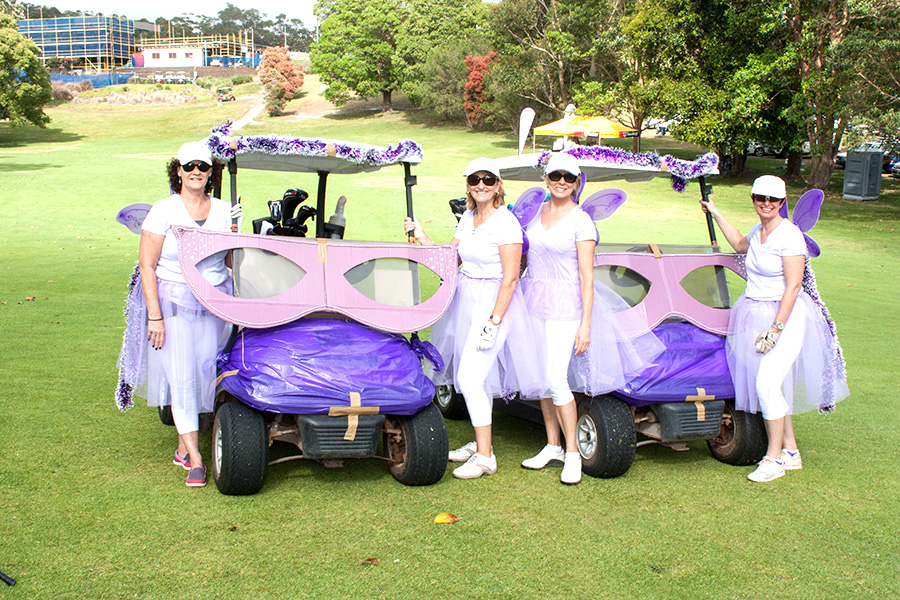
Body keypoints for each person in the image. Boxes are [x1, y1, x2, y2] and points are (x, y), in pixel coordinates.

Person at [518, 153, 665, 484]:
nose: (561, 182)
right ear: (546, 177)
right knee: (543, 378)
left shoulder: (581, 221)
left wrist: (585, 324)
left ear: (576, 182)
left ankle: (572, 453)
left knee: (557, 379)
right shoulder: (535, 213)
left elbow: (586, 276)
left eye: (569, 178)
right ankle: (552, 445)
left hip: (567, 305)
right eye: (556, 175)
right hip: (534, 301)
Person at [700, 175, 849, 482]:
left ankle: (773, 459)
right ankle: (791, 451)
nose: (766, 204)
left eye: (772, 200)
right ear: (754, 199)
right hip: (753, 312)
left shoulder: (789, 235)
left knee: (766, 384)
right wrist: (715, 213)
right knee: (770, 385)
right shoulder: (759, 231)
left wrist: (776, 328)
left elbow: (793, 286)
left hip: (785, 318)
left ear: (782, 203)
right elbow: (741, 244)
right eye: (760, 198)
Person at [404, 157, 543, 480]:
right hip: (466, 298)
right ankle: (481, 445)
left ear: (498, 186)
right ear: (467, 184)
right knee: (467, 377)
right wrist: (423, 237)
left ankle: (485, 457)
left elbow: (511, 278)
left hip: (494, 304)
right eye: (475, 179)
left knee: (470, 377)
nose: (481, 185)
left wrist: (493, 322)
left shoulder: (506, 223)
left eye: (488, 179)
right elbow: (451, 259)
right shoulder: (469, 217)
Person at [117, 141, 242, 487]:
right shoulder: (164, 210)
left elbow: (231, 262)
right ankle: (197, 461)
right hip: (173, 301)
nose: (196, 172)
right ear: (178, 171)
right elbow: (147, 264)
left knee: (205, 373)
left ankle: (182, 446)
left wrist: (238, 236)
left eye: (203, 166)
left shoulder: (223, 210)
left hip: (215, 302)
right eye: (189, 166)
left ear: (211, 172)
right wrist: (154, 316)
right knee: (182, 375)